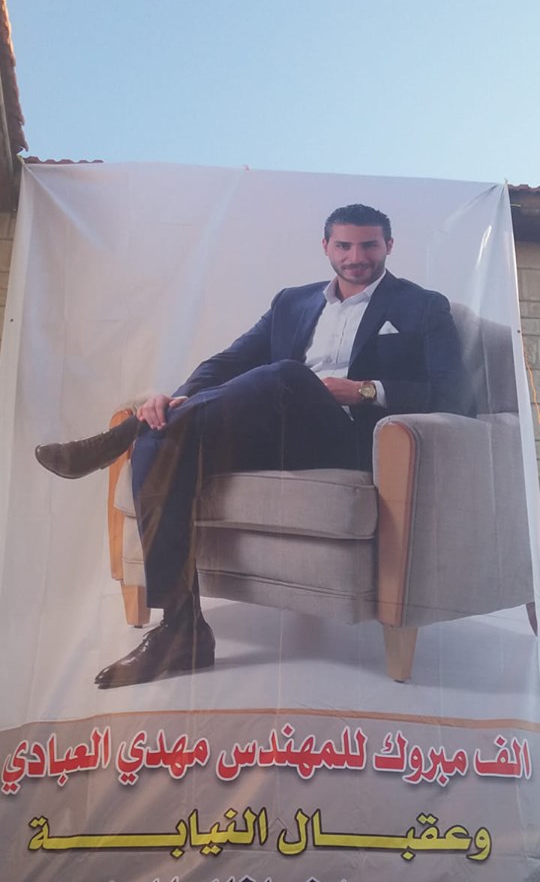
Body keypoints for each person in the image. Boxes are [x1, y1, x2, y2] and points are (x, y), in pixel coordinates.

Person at [35, 203, 474, 689]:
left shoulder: (423, 306)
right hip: (277, 431)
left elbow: (455, 394)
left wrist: (366, 389)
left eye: (369, 245)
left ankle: (119, 439)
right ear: (326, 247)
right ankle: (181, 630)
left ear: (389, 246)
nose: (356, 257)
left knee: (286, 374)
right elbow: (228, 362)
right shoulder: (292, 302)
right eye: (344, 245)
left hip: (350, 438)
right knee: (162, 438)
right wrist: (174, 399)